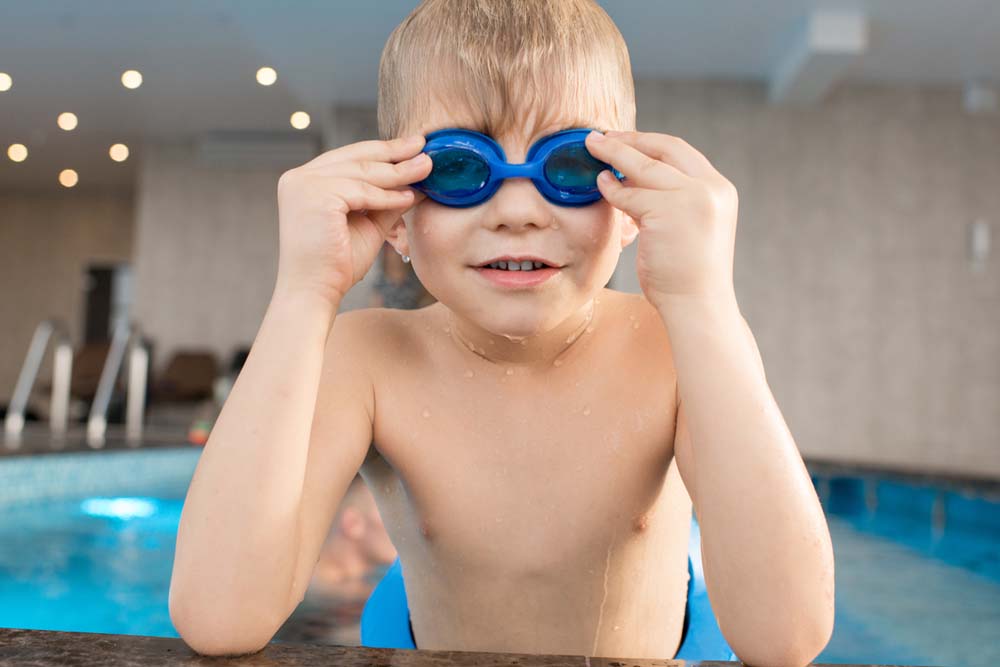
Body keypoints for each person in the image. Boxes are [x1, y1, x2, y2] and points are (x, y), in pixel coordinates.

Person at [168, 1, 835, 664]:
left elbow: (786, 638)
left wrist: (703, 300)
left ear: (631, 201)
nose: (518, 211)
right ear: (396, 215)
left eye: (570, 167)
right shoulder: (367, 359)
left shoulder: (678, 346)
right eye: (460, 169)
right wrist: (304, 292)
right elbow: (220, 618)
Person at [370, 242, 436, 309]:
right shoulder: (380, 283)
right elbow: (375, 308)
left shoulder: (417, 279)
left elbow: (428, 303)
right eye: (392, 250)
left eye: (398, 252)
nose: (396, 255)